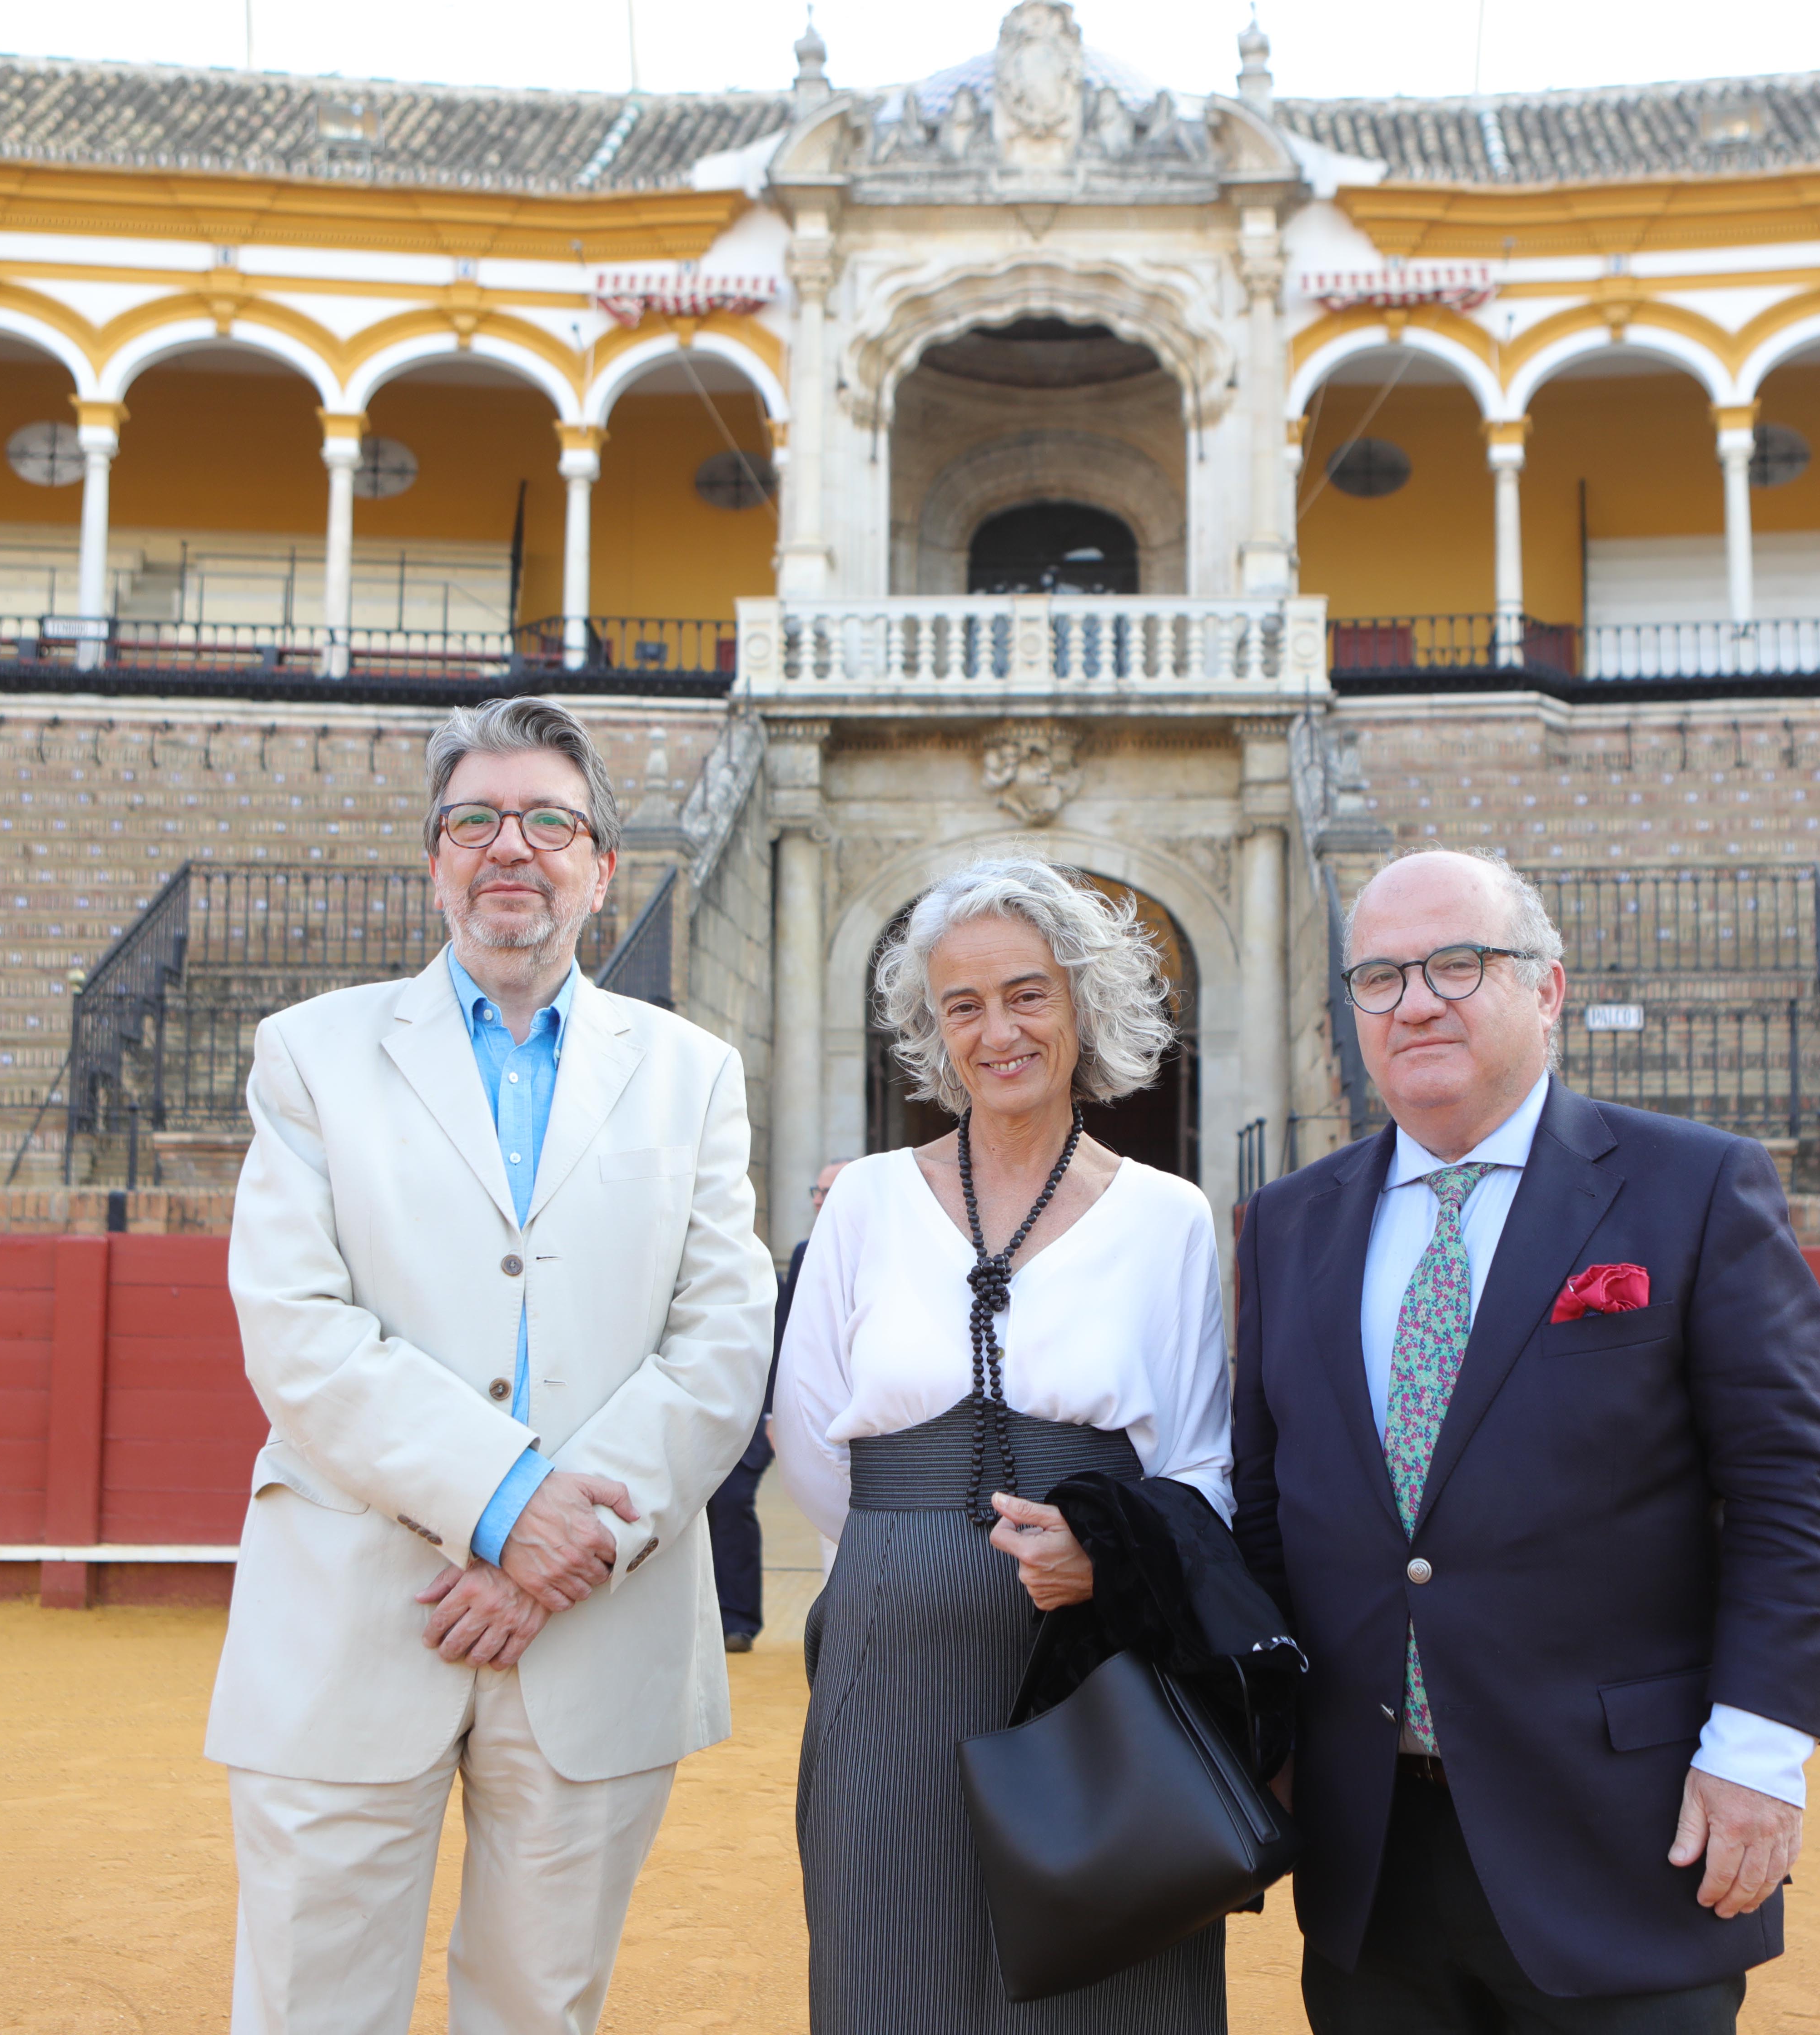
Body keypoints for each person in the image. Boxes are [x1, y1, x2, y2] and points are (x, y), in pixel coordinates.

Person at [208, 695, 777, 2035]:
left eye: (546, 820)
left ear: (599, 867)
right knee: (308, 2009)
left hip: (594, 1611)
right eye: (473, 818)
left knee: (540, 2012)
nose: (506, 845)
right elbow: (297, 1325)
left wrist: (559, 1543)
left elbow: (720, 1336)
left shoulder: (691, 1073)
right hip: (361, 1600)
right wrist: (509, 1504)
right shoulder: (311, 1054)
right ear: (435, 858)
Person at [1232, 849, 1820, 2035]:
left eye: (1457, 965)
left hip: (1622, 1834)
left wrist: (1762, 1755)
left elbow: (1789, 1493)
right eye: (1379, 977)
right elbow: (1269, 1511)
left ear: (1549, 989)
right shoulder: (1286, 1225)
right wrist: (1268, 1737)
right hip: (1375, 1859)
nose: (1416, 1001)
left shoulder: (1694, 1188)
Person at [775, 855, 1233, 2035]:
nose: (998, 1031)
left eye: (1027, 994)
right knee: (893, 1970)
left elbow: (1196, 1463)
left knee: (1109, 1985)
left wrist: (1107, 1563)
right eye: (962, 1005)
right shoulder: (867, 1203)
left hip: (1094, 1665)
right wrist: (906, 1551)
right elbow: (810, 1429)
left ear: (1082, 1004)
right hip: (890, 1662)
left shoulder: (1168, 1218)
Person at [710, 1156, 848, 1651]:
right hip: (810, 1409)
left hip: (872, 1412)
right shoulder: (804, 1251)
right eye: (817, 1189)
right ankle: (744, 1622)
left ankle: (853, 1628)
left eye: (830, 1191)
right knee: (735, 1500)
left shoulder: (893, 1247)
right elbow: (788, 1335)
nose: (817, 1199)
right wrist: (773, 1412)